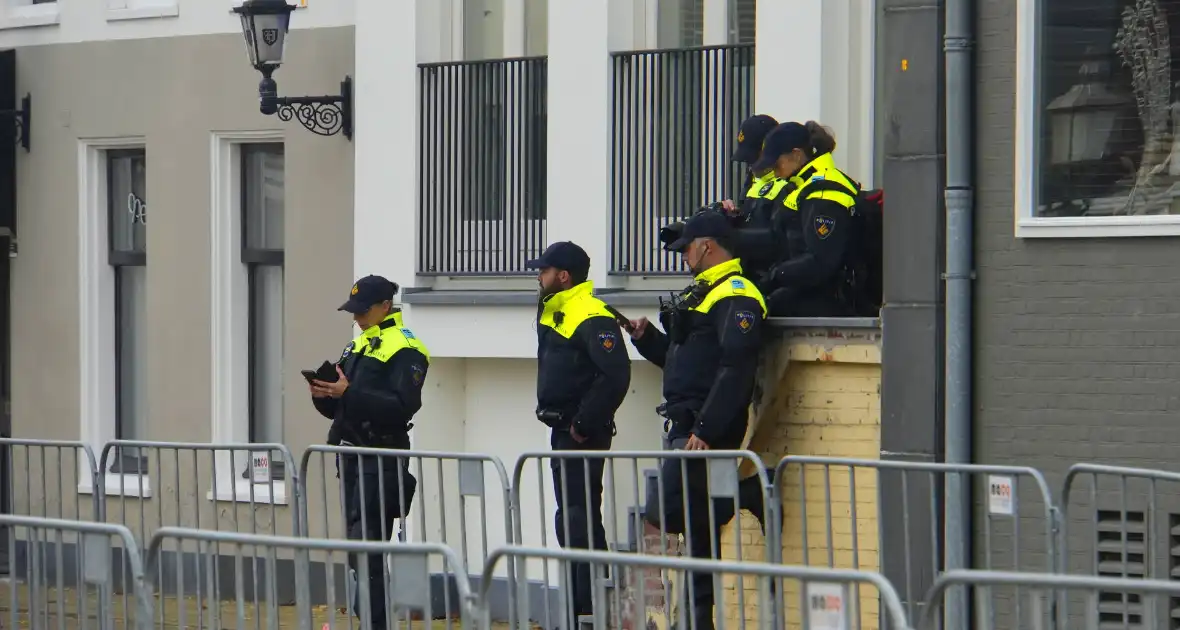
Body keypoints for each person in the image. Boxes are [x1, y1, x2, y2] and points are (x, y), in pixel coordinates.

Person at [625, 210, 773, 630]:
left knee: (672, 510)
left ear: (707, 245)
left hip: (705, 427)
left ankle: (750, 494)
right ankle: (697, 619)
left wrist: (707, 429)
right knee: (698, 526)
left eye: (687, 248)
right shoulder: (703, 291)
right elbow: (680, 359)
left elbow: (736, 367)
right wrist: (647, 339)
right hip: (687, 423)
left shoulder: (737, 294)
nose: (684, 257)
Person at [308, 274, 429, 629]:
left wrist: (348, 394)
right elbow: (345, 406)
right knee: (357, 553)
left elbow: (403, 407)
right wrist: (325, 395)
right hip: (350, 456)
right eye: (353, 311)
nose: (356, 317)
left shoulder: (406, 348)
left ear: (384, 307)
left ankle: (376, 624)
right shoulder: (358, 344)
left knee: (370, 551)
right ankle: (368, 621)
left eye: (362, 311)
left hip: (380, 458)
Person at [526, 241, 632, 628]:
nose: (539, 276)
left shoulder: (590, 313)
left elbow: (616, 375)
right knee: (570, 520)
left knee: (580, 518)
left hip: (581, 433)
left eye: (545, 270)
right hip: (562, 429)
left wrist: (584, 423)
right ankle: (578, 610)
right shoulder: (556, 307)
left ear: (563, 275)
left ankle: (588, 610)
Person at [751, 121, 864, 317]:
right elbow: (778, 238)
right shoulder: (802, 185)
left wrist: (776, 276)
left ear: (796, 154)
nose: (774, 171)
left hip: (831, 302)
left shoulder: (823, 191)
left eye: (776, 164)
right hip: (809, 293)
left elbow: (821, 262)